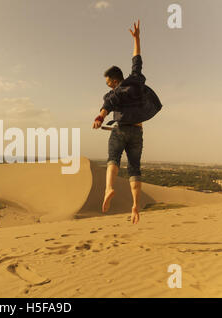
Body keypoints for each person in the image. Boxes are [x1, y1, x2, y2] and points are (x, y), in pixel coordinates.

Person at [92, 20, 146, 224]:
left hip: (120, 130)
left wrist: (100, 117)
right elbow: (137, 60)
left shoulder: (114, 93)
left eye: (108, 83)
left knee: (113, 158)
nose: (108, 86)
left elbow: (108, 103)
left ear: (114, 81)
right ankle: (135, 206)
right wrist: (137, 39)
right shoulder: (136, 81)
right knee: (134, 169)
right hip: (137, 132)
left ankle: (109, 188)